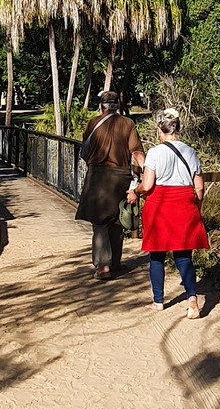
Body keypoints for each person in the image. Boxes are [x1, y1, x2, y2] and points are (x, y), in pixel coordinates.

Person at [127, 108, 209, 318]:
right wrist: (196, 208)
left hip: (160, 206)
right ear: (177, 128)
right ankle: (192, 298)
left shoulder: (155, 153)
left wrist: (135, 190)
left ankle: (158, 301)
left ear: (159, 130)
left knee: (157, 255)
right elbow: (199, 187)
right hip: (184, 205)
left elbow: (147, 185)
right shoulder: (190, 152)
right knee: (183, 256)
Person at [75, 91, 146, 280]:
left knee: (99, 223)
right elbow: (136, 152)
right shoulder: (128, 124)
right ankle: (115, 262)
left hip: (97, 177)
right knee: (117, 220)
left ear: (101, 106)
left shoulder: (92, 123)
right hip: (120, 177)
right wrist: (147, 172)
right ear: (118, 106)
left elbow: (84, 150)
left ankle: (103, 266)